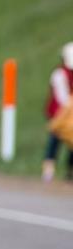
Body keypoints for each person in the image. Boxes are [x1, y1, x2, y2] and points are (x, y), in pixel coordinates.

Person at [42, 43, 73, 182]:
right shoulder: (60, 74)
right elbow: (62, 99)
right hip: (58, 115)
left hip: (70, 116)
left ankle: (69, 170)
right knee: (54, 140)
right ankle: (48, 169)